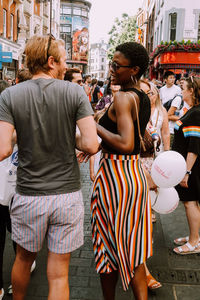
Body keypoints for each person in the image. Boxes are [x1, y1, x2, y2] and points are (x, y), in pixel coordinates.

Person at [0, 34, 98, 300]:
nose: (66, 66)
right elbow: (90, 144)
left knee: (22, 259)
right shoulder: (74, 91)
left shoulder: (10, 95)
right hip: (66, 196)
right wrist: (70, 138)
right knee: (58, 272)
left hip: (28, 195)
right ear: (52, 61)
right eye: (64, 61)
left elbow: (3, 149)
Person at [91, 42, 152, 300]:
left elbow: (127, 143)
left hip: (114, 179)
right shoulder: (142, 96)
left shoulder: (123, 97)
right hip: (134, 178)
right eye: (111, 63)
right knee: (134, 252)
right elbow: (139, 141)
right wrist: (100, 142)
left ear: (134, 69)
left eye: (117, 65)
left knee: (106, 248)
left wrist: (93, 125)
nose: (111, 69)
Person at [172, 76, 200, 255]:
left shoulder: (196, 113)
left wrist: (187, 172)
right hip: (189, 166)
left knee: (190, 203)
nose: (181, 91)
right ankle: (195, 236)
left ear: (191, 91)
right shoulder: (192, 110)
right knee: (193, 203)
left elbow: (194, 146)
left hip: (192, 168)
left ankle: (193, 242)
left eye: (183, 88)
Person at [159, 71, 182, 146]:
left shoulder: (177, 89)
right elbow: (160, 103)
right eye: (170, 78)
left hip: (172, 116)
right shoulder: (161, 90)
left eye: (174, 78)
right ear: (165, 79)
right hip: (163, 115)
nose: (173, 79)